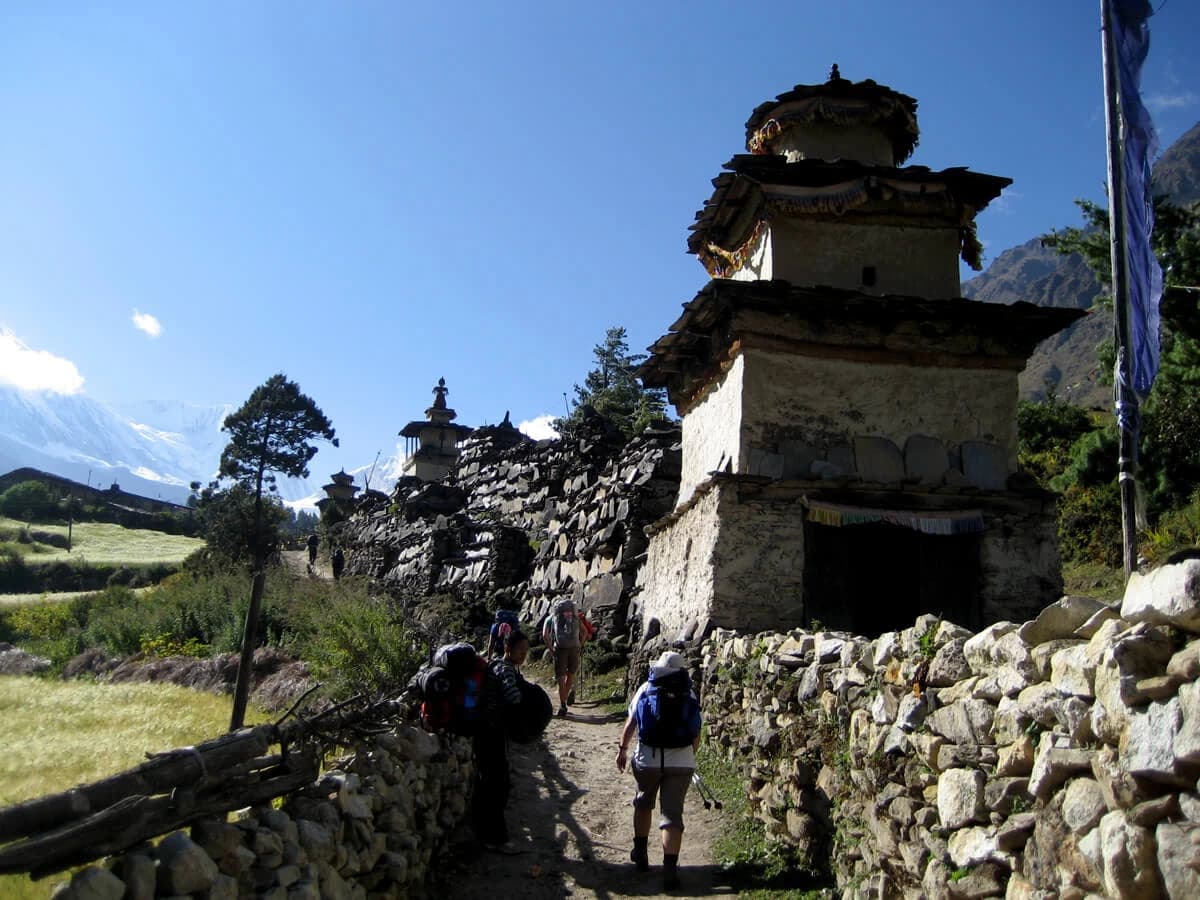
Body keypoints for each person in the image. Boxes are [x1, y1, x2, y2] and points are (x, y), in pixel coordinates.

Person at [615, 650, 702, 890]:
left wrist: (622, 749)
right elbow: (696, 733)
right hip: (681, 761)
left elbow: (631, 723)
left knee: (643, 803)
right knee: (672, 815)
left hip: (648, 759)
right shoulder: (689, 692)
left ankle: (641, 853)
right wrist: (688, 756)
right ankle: (670, 870)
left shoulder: (646, 689)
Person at [472, 629, 530, 851]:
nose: (523, 655)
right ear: (508, 649)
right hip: (491, 730)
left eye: (526, 651)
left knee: (488, 779)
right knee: (499, 783)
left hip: (485, 728)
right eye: (520, 650)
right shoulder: (505, 669)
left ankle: (482, 829)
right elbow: (513, 697)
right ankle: (495, 838)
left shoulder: (495, 665)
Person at [542, 599, 588, 717]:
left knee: (561, 679)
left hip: (560, 649)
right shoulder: (575, 618)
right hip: (574, 648)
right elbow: (585, 632)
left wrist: (551, 649)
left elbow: (545, 635)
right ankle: (565, 699)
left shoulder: (551, 618)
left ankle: (563, 705)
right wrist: (580, 644)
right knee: (570, 676)